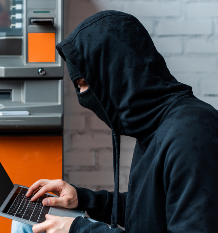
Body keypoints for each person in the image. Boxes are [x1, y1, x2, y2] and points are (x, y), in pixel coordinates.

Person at [12, 10, 218, 233]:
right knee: (24, 221)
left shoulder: (190, 136)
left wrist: (78, 229)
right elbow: (146, 212)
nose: (82, 95)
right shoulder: (155, 126)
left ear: (117, 73)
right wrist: (82, 199)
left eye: (84, 83)